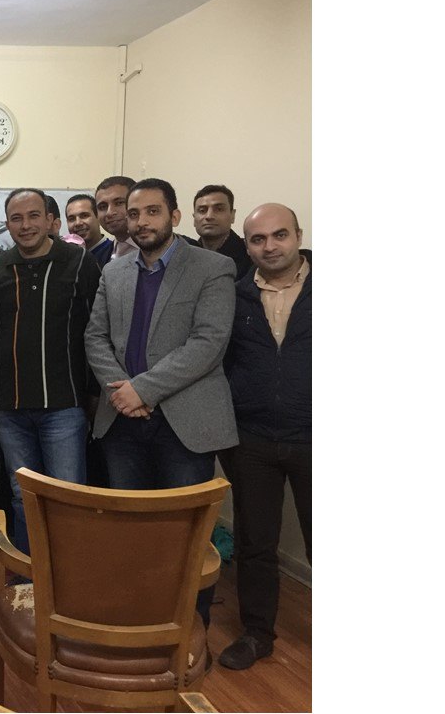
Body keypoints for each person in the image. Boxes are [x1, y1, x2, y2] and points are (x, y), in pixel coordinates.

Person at [0, 190, 101, 553]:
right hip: (10, 408)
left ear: (50, 219)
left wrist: (95, 392)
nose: (25, 225)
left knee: (67, 494)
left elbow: (97, 331)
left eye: (33, 216)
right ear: (6, 224)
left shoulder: (79, 262)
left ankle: (69, 576)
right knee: (23, 495)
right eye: (17, 218)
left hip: (64, 404)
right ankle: (30, 572)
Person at [84, 177, 238, 490]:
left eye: (153, 211)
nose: (142, 221)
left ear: (175, 216)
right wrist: (121, 393)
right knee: (128, 514)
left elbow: (208, 343)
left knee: (181, 519)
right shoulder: (113, 272)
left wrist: (142, 390)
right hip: (122, 419)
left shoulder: (213, 267)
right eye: (134, 214)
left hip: (185, 421)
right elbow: (95, 337)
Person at [218, 204, 312, 671]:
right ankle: (257, 634)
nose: (269, 246)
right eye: (257, 239)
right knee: (256, 543)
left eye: (279, 235)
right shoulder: (234, 296)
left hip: (318, 437)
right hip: (252, 438)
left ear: (298, 236)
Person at [193, 184, 250, 277]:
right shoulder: (184, 255)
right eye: (202, 210)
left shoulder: (250, 254)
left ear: (232, 215)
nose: (209, 216)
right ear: (194, 219)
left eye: (219, 209)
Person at [95, 175, 137, 260]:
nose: (109, 213)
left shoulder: (159, 250)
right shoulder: (98, 258)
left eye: (119, 203)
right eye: (103, 207)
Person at [65, 193, 112, 266]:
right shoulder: (67, 258)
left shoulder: (113, 252)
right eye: (71, 219)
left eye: (84, 216)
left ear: (98, 217)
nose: (78, 223)